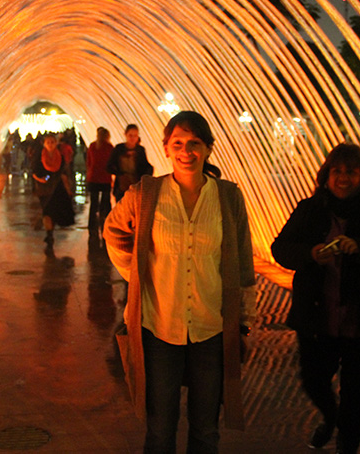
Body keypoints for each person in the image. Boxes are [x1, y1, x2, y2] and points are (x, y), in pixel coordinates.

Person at [103, 111, 257, 453]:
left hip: (210, 329)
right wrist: (138, 272)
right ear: (166, 149)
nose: (186, 151)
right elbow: (112, 231)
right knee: (160, 429)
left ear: (208, 149)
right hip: (159, 328)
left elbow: (244, 264)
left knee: (206, 431)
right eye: (178, 144)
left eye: (194, 143)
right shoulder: (147, 194)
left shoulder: (228, 197)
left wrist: (245, 321)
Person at [270, 143, 360, 453]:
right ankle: (331, 415)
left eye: (351, 171)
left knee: (358, 393)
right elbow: (280, 248)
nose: (343, 178)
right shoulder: (309, 210)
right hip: (316, 319)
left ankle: (347, 445)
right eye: (337, 171)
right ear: (326, 175)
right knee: (314, 381)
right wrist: (310, 253)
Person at [32, 133, 75, 246]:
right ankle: (49, 234)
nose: (50, 144)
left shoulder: (59, 156)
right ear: (44, 144)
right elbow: (34, 172)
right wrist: (40, 179)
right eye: (48, 142)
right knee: (46, 211)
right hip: (44, 188)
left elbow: (64, 173)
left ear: (56, 143)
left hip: (57, 187)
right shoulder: (39, 156)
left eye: (52, 142)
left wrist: (68, 188)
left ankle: (50, 233)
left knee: (54, 211)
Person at [106, 123, 153, 203]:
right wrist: (120, 174)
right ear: (125, 135)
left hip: (136, 187)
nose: (133, 138)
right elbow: (109, 166)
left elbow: (146, 166)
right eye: (130, 135)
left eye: (135, 135)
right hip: (121, 188)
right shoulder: (119, 149)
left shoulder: (140, 150)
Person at [86, 127, 113, 238]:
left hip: (93, 178)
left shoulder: (92, 146)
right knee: (105, 202)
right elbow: (112, 162)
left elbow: (88, 162)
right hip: (105, 178)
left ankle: (92, 224)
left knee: (94, 203)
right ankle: (104, 222)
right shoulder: (109, 147)